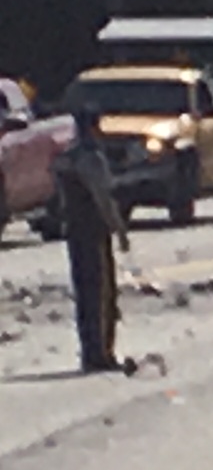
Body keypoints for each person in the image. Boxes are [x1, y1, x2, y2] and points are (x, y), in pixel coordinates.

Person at [52, 109, 129, 374]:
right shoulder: (91, 158)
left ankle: (89, 351)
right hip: (94, 232)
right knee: (101, 292)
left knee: (84, 292)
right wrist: (119, 229)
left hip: (74, 231)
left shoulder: (65, 159)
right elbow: (103, 197)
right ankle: (102, 354)